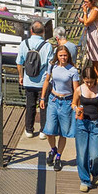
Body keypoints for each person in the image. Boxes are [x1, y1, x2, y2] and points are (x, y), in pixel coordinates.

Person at [38, 40, 78, 170]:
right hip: (53, 100)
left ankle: (59, 156)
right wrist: (42, 98)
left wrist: (75, 104)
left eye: (65, 55)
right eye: (61, 55)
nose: (63, 58)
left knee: (63, 132)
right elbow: (46, 81)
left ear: (68, 56)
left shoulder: (73, 70)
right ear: (57, 56)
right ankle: (53, 149)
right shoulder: (53, 66)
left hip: (66, 102)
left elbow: (76, 90)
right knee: (49, 130)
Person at [73, 57, 98, 190]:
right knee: (82, 154)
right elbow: (73, 103)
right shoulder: (79, 90)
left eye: (91, 82)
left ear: (95, 80)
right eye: (87, 82)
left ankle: (95, 172)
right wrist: (76, 109)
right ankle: (84, 180)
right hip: (82, 123)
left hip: (96, 124)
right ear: (83, 80)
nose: (89, 85)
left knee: (95, 154)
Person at [16, 16, 54, 137]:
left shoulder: (24, 43)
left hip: (28, 80)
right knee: (44, 105)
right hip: (42, 81)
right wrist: (48, 78)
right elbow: (50, 65)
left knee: (30, 105)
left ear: (31, 31)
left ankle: (29, 129)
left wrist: (21, 76)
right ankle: (43, 130)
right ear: (43, 32)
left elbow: (19, 62)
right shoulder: (47, 46)